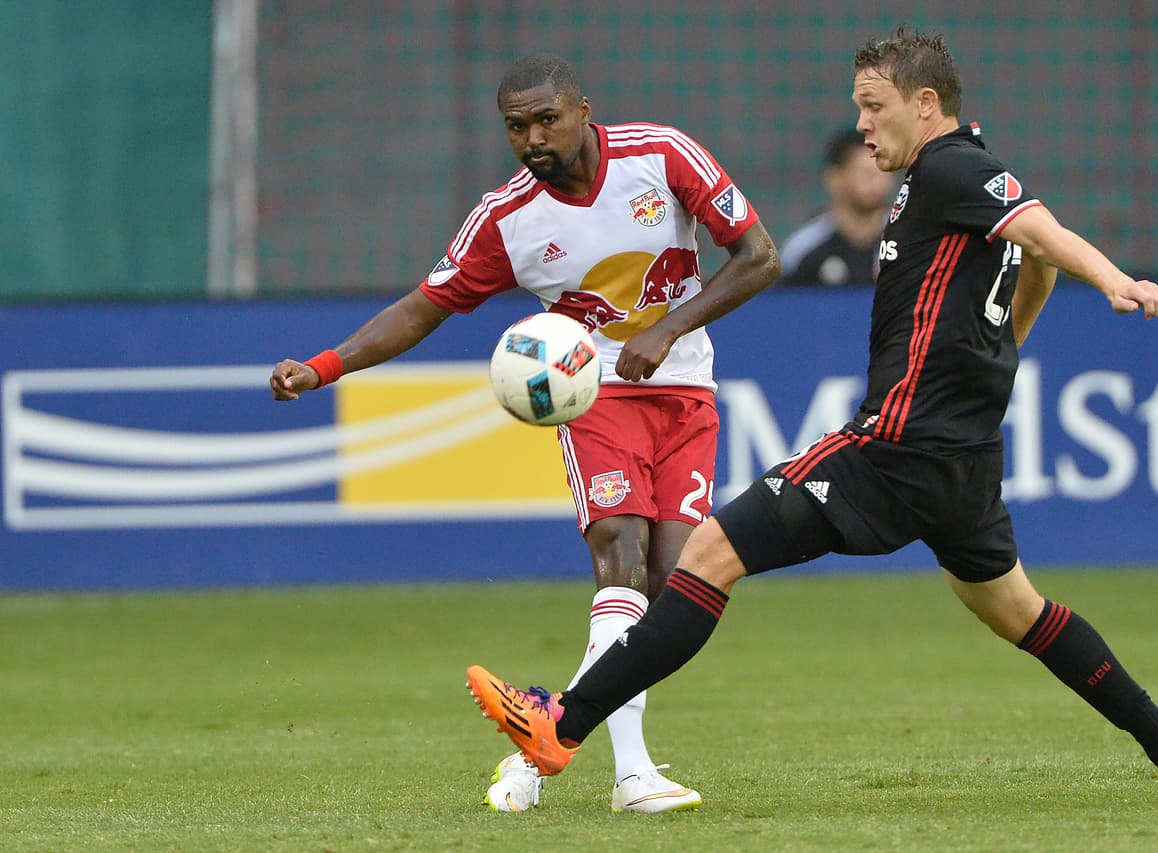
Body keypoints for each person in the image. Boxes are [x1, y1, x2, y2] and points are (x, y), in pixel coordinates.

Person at [466, 29, 1158, 805]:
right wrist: (1003, 353)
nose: (863, 126)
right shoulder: (954, 180)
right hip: (962, 464)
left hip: (892, 449)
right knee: (1021, 612)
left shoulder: (949, 167)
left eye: (874, 107)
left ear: (925, 104)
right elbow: (1033, 262)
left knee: (707, 553)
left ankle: (561, 726)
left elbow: (1042, 232)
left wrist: (1114, 279)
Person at [270, 54, 780, 812]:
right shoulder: (507, 219)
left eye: (547, 119)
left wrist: (668, 330)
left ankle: (538, 752)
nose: (533, 137)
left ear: (583, 110)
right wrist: (323, 366)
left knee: (678, 591)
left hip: (685, 396)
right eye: (517, 126)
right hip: (594, 397)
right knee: (621, 560)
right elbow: (422, 307)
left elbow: (760, 257)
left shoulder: (662, 155)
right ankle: (633, 774)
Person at [777, 126, 894, 287]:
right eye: (865, 173)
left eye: (883, 171)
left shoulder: (909, 241)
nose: (876, 182)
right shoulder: (803, 250)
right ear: (834, 178)